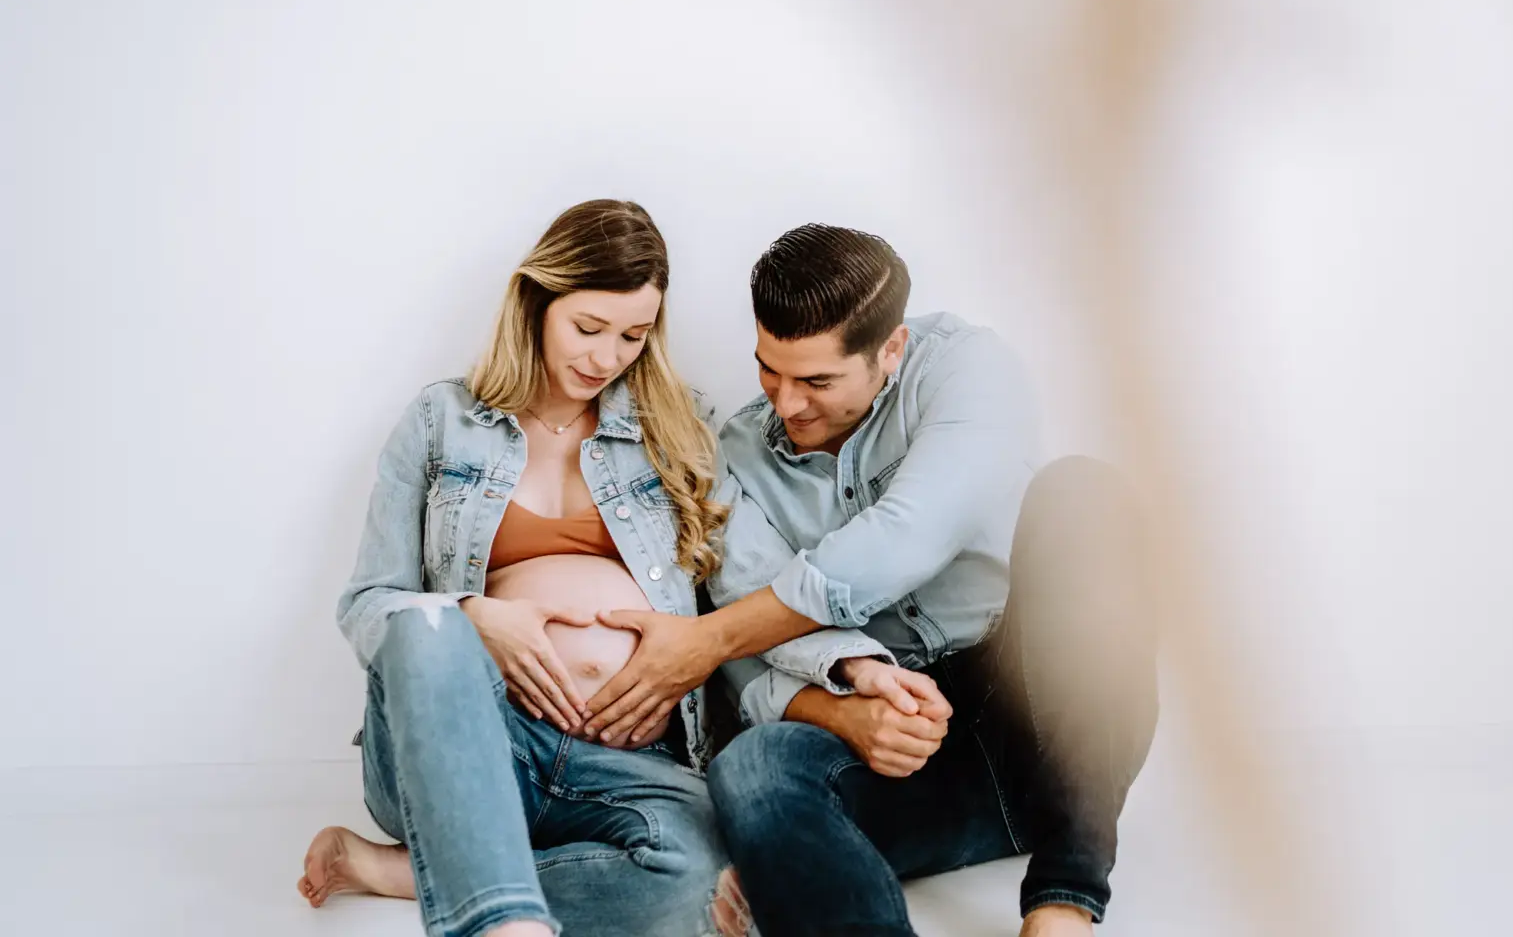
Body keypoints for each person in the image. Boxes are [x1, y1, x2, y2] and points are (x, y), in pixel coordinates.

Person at [579, 224, 1160, 937]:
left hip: (1044, 709)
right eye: (770, 369)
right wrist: (848, 706)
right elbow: (750, 660)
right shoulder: (733, 455)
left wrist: (701, 641)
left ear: (891, 349)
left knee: (1084, 494)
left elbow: (907, 537)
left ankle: (1062, 906)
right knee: (752, 768)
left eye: (817, 381)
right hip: (904, 738)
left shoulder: (968, 367)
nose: (787, 404)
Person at [295, 199, 734, 937]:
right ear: (535, 301)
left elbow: (737, 600)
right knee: (423, 625)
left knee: (702, 884)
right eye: (587, 328)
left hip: (626, 761)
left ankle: (402, 872)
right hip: (473, 743)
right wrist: (473, 617)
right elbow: (370, 603)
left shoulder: (682, 426)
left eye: (632, 335)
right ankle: (502, 924)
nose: (606, 357)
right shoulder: (442, 421)